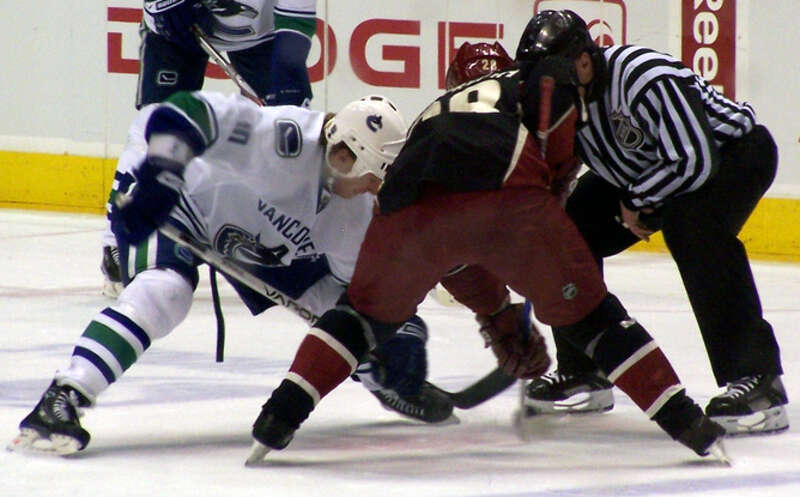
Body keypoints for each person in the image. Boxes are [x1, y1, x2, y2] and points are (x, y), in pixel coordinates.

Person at [241, 49, 729, 464]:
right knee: (592, 318)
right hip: (508, 189)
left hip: (410, 202)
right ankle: (688, 424)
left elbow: (453, 253)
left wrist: (495, 311)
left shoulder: (430, 113)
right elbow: (553, 106)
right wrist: (555, 189)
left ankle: (276, 419)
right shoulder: (538, 77)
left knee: (360, 316)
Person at [9, 91, 453, 457]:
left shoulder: (354, 212)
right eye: (374, 178)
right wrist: (159, 176)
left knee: (349, 319)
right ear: (344, 154)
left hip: (255, 247)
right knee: (166, 291)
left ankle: (378, 376)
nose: (375, 190)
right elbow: (183, 111)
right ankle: (63, 396)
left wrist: (388, 334)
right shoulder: (285, 138)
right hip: (181, 204)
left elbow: (354, 297)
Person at [514, 10, 788, 436]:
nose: (544, 91)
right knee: (567, 233)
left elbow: (695, 160)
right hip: (646, 173)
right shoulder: (566, 101)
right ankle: (585, 370)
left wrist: (636, 200)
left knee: (693, 229)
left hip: (732, 156)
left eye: (551, 77)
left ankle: (759, 383)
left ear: (584, 62)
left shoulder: (642, 76)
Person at [101, 0, 318, 297]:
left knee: (289, 127)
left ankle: (280, 237)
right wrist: (162, 5)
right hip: (180, 24)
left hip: (261, 37)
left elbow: (295, 27)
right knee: (155, 121)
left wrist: (287, 82)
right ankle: (117, 241)